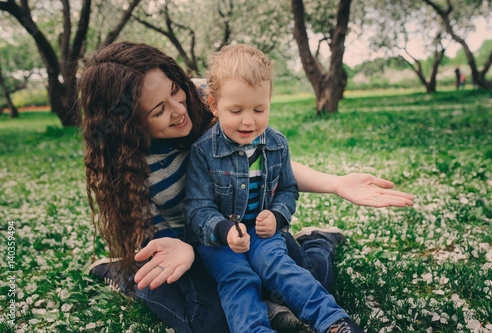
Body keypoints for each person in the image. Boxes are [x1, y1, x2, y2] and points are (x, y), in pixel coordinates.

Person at [79, 41, 413, 333]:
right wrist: (181, 245)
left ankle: (316, 241)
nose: (180, 110)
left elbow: (258, 166)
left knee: (309, 284)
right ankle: (121, 275)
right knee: (209, 322)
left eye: (174, 92)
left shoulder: (208, 97)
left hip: (248, 230)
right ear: (129, 124)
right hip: (187, 246)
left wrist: (336, 183)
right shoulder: (127, 167)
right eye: (159, 110)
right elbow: (151, 234)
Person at [184, 44, 364, 333]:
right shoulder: (204, 151)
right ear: (214, 105)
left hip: (261, 230)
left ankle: (332, 321)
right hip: (218, 241)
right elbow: (197, 207)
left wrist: (277, 216)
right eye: (236, 110)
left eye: (259, 109)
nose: (248, 120)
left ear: (269, 101)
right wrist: (224, 231)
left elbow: (288, 189)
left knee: (277, 265)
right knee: (238, 277)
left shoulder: (276, 144)